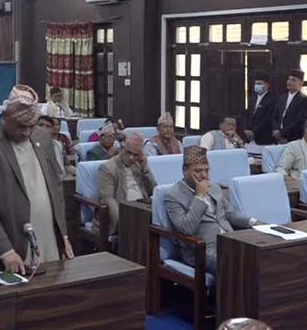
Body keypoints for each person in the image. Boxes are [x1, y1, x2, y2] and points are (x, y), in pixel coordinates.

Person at [0, 85, 73, 274]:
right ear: (6, 116)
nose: (27, 132)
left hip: (48, 236)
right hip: (8, 248)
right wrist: (5, 250)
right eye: (21, 126)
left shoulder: (42, 137)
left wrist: (63, 235)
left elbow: (55, 187)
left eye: (32, 126)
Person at [163, 146, 261, 275]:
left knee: (261, 257)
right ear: (184, 170)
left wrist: (254, 222)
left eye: (206, 170)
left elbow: (229, 213)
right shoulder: (173, 195)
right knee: (240, 265)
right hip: (202, 249)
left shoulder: (213, 186)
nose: (204, 175)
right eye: (198, 171)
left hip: (229, 240)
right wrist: (199, 196)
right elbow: (186, 228)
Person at [99, 133, 157, 234]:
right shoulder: (108, 168)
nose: (131, 158)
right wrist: (121, 223)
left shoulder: (139, 164)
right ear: (122, 149)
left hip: (143, 210)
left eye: (135, 155)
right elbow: (108, 199)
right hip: (124, 212)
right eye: (128, 152)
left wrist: (145, 170)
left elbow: (154, 191)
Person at [272, 70, 307, 143]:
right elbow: (275, 116)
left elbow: (299, 120)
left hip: (293, 138)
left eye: (293, 80)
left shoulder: (304, 99)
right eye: (288, 79)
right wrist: (276, 130)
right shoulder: (282, 98)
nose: (289, 82)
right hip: (278, 137)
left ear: (301, 83)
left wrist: (282, 133)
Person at [244, 72, 276, 146]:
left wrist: (254, 132)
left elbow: (267, 119)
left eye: (259, 83)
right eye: (256, 83)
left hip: (263, 138)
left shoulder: (272, 100)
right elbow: (247, 115)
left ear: (266, 85)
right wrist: (246, 130)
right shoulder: (252, 98)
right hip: (250, 139)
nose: (256, 86)